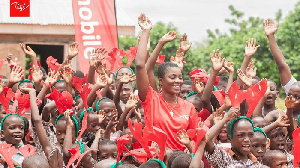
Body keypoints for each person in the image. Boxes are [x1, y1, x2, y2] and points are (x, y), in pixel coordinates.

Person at [134, 14, 199, 150]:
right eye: (172, 77)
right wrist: (147, 32)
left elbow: (195, 140)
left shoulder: (189, 107)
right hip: (155, 162)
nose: (178, 81)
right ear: (161, 81)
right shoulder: (151, 99)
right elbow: (141, 66)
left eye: (180, 77)